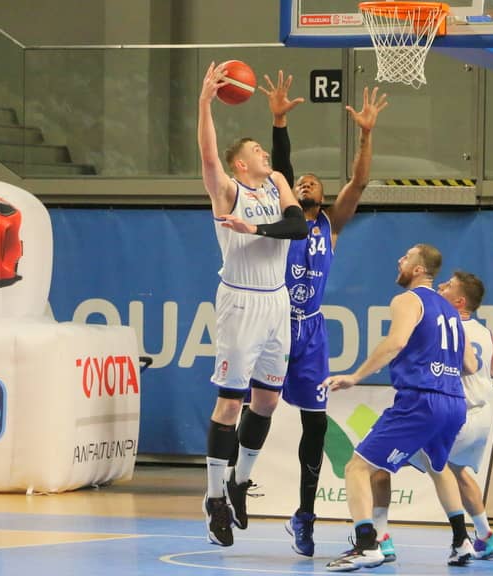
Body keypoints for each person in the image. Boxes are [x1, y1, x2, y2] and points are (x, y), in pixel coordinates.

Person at [258, 70, 388, 557]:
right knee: (252, 409)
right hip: (274, 324)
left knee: (315, 426)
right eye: (300, 182)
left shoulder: (330, 225)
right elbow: (282, 167)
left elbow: (360, 180)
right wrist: (278, 122)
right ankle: (233, 484)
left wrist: (366, 134)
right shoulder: (285, 217)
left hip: (310, 332)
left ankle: (305, 515)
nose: (306, 182)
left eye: (313, 182)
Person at [197, 61, 308, 547]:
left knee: (267, 401)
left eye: (266, 149)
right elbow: (208, 159)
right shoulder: (229, 190)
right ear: (241, 164)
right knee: (230, 402)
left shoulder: (277, 188)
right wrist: (205, 103)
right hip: (240, 301)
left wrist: (279, 121)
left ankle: (240, 482)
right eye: (256, 150)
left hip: (276, 301)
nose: (264, 153)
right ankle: (214, 497)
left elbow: (295, 224)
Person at [321, 244, 479, 572]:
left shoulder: (408, 299)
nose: (399, 260)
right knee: (438, 468)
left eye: (406, 258)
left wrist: (355, 376)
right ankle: (461, 540)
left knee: (356, 468)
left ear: (419, 269)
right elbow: (469, 365)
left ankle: (367, 545)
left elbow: (396, 342)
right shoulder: (451, 310)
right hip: (453, 403)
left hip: (421, 400)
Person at [369, 271, 493, 565]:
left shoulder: (438, 323)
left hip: (448, 413)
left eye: (448, 286)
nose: (441, 287)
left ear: (459, 302)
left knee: (376, 465)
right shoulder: (486, 333)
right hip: (481, 416)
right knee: (458, 472)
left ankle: (381, 538)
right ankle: (486, 535)